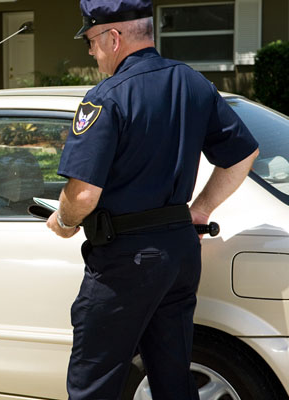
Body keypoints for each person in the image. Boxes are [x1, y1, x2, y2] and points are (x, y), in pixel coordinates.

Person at [46, 1, 260, 399]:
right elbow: (243, 154)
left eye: (91, 41)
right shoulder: (194, 83)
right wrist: (199, 211)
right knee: (173, 379)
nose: (90, 52)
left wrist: (63, 220)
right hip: (178, 254)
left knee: (93, 385)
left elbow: (84, 193)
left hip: (126, 260)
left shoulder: (105, 98)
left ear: (114, 37)